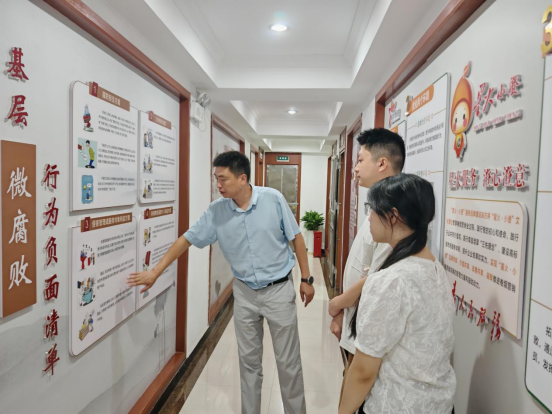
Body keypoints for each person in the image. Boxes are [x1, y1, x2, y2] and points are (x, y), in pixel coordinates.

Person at [127, 151, 315, 414]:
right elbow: (187, 239)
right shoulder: (217, 211)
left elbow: (296, 237)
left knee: (288, 363)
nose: (218, 184)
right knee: (248, 364)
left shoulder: (273, 199)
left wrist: (306, 278)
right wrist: (156, 271)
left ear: (242, 178)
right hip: (245, 293)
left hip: (278, 291)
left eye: (223, 179)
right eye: (216, 178)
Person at [338, 174, 456, 414]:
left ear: (393, 216)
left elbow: (363, 372)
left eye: (372, 210)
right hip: (439, 405)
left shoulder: (391, 281)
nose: (369, 218)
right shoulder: (435, 268)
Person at [327, 128, 404, 404]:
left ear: (382, 163)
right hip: (356, 318)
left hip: (368, 327)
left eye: (360, 160)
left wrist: (337, 304)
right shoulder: (377, 203)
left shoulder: (394, 213)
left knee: (355, 394)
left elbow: (378, 276)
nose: (355, 168)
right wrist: (343, 311)